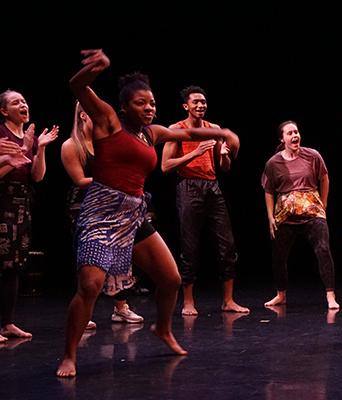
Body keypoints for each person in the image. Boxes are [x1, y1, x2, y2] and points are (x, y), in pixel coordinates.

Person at [56, 49, 240, 377]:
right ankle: (69, 355)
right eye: (141, 103)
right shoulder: (109, 121)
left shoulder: (151, 133)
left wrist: (222, 133)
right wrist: (96, 69)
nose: (150, 108)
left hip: (134, 214)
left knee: (170, 279)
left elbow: (186, 133)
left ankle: (163, 328)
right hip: (100, 214)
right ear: (125, 106)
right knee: (90, 286)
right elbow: (77, 87)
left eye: (152, 103)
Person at [161, 86, 249, 315]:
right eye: (196, 102)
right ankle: (188, 302)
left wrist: (224, 156)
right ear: (186, 106)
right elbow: (165, 166)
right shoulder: (175, 129)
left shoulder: (215, 129)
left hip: (212, 186)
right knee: (190, 247)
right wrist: (194, 153)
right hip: (188, 186)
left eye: (204, 102)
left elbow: (225, 168)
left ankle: (228, 301)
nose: (201, 105)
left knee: (227, 245)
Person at [61, 102, 144, 329]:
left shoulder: (105, 142)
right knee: (89, 260)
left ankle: (121, 307)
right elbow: (79, 180)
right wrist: (114, 179)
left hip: (114, 206)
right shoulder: (71, 146)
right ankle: (85, 311)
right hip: (84, 206)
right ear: (82, 116)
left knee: (120, 256)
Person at [0, 90, 58, 344]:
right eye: (16, 102)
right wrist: (11, 158)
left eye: (24, 100)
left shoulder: (31, 137)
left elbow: (37, 176)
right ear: (4, 111)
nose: (23, 104)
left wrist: (40, 148)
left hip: (21, 201)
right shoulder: (1, 135)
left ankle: (7, 323)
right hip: (1, 199)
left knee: (13, 265)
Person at [261, 120, 339, 309]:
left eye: (296, 132)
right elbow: (269, 190)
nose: (295, 136)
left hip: (312, 211)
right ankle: (281, 294)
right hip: (285, 215)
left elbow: (324, 177)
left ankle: (330, 296)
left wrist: (324, 204)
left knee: (323, 250)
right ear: (282, 138)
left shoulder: (312, 155)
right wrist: (270, 217)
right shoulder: (273, 163)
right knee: (279, 255)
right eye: (290, 133)